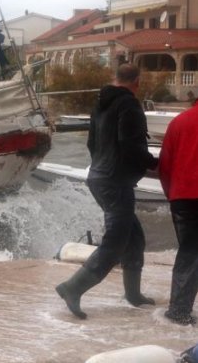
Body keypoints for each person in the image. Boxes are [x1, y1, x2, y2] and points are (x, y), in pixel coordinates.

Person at [56, 63, 158, 319]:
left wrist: (105, 166)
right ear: (136, 81)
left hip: (99, 176)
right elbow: (130, 145)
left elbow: (92, 143)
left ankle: (133, 295)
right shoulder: (130, 105)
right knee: (115, 241)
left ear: (115, 79)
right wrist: (156, 164)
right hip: (115, 181)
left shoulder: (100, 104)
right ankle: (73, 287)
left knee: (134, 238)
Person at [158, 98, 198, 326]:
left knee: (189, 251)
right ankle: (179, 311)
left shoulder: (179, 122)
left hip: (182, 196)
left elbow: (165, 164)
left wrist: (171, 194)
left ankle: (179, 309)